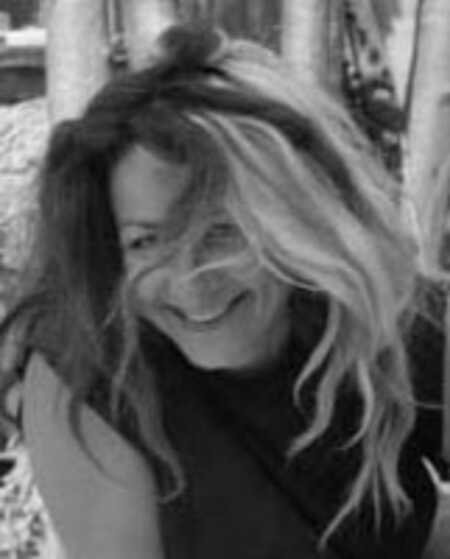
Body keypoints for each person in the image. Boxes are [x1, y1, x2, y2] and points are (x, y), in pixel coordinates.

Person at [0, 23, 446, 559]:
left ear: (297, 222)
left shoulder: (386, 313)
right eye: (145, 241)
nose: (190, 280)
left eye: (220, 231)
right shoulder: (86, 367)